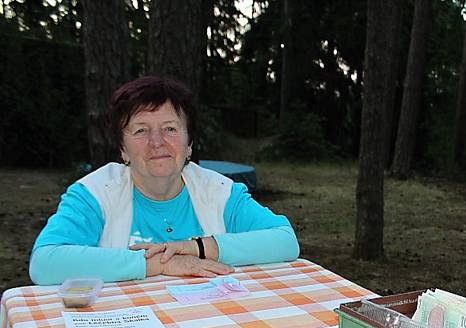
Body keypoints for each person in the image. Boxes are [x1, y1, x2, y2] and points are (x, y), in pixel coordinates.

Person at [29, 77, 299, 285]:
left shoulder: (219, 191)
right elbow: (44, 263)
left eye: (170, 128)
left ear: (189, 144)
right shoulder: (94, 194)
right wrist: (158, 264)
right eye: (140, 130)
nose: (157, 142)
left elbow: (285, 241)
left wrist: (197, 248)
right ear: (122, 149)